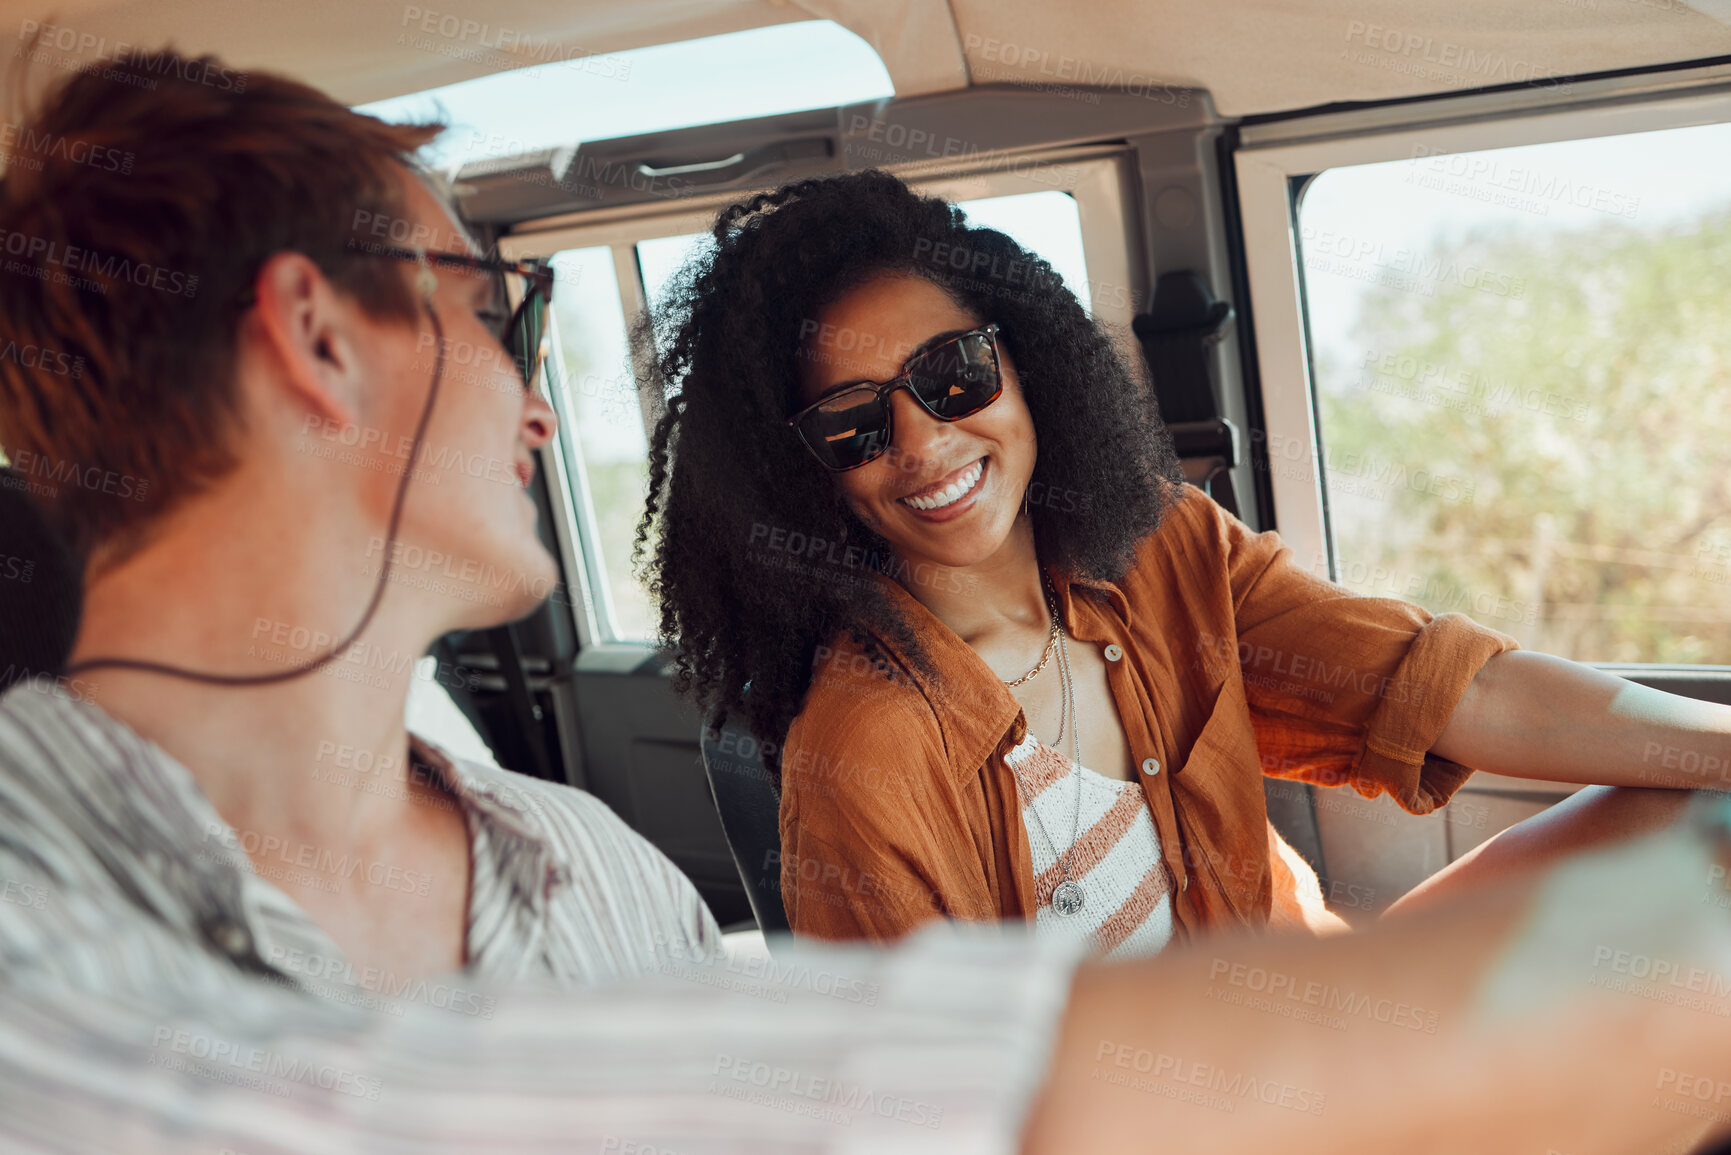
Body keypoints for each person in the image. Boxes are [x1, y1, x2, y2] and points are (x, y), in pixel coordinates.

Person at [0, 44, 1727, 1155]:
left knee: (1661, 848)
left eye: (958, 376)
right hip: (1228, 1081)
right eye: (487, 301)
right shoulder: (39, 942)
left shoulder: (596, 880)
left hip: (1257, 1031)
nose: (536, 397)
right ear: (314, 338)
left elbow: (1437, 686)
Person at [634, 169, 1720, 953]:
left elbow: (1440, 684)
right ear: (800, 475)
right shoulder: (865, 756)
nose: (922, 444)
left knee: (1702, 820)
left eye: (951, 374)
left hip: (1327, 1022)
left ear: (1025, 361)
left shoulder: (1162, 549)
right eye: (852, 425)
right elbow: (935, 1109)